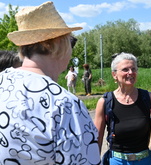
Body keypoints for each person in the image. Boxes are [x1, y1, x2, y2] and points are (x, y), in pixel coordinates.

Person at [1, 1, 101, 164]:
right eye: (71, 41)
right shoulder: (64, 105)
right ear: (50, 43)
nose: (71, 49)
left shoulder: (2, 81)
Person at [94, 52, 151, 165]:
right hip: (116, 161)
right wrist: (94, 162)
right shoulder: (105, 102)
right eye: (125, 69)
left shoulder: (149, 98)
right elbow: (97, 138)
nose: (131, 73)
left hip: (146, 160)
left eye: (133, 69)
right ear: (114, 75)